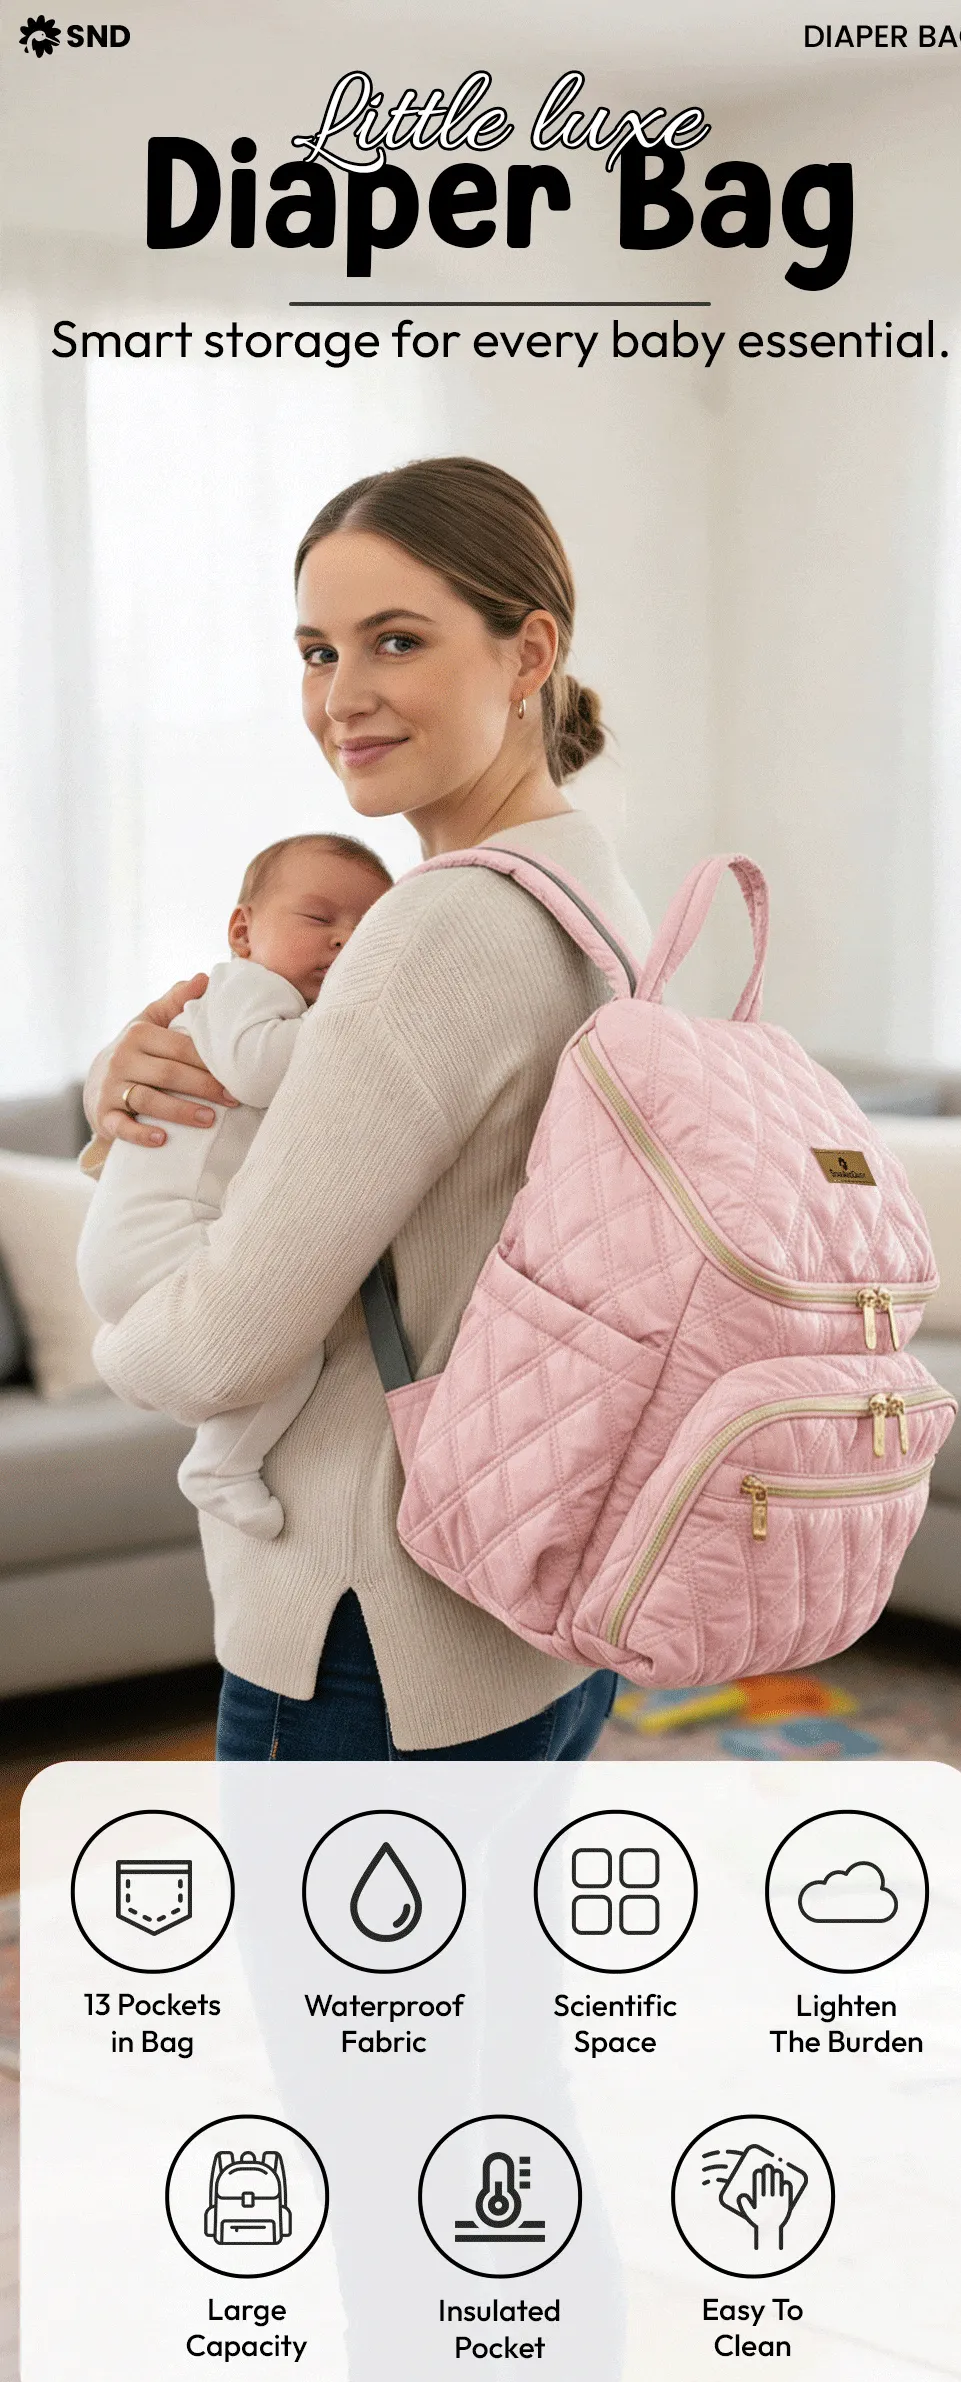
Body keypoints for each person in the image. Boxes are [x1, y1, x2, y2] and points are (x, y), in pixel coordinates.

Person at [78, 454, 648, 1767]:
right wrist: (135, 1098)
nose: (341, 696)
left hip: (365, 1623)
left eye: (396, 640)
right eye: (316, 651)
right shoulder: (590, 900)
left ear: (528, 652)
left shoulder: (433, 933)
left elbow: (217, 1351)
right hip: (537, 1600)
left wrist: (113, 1339)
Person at [77, 826, 390, 1543]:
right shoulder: (242, 988)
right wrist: (361, 1026)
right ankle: (220, 1466)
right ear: (243, 932)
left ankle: (220, 1462)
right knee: (278, 1335)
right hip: (158, 1239)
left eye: (366, 931)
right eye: (319, 918)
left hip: (145, 1244)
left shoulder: (278, 1006)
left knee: (286, 1345)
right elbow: (259, 1069)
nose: (344, 940)